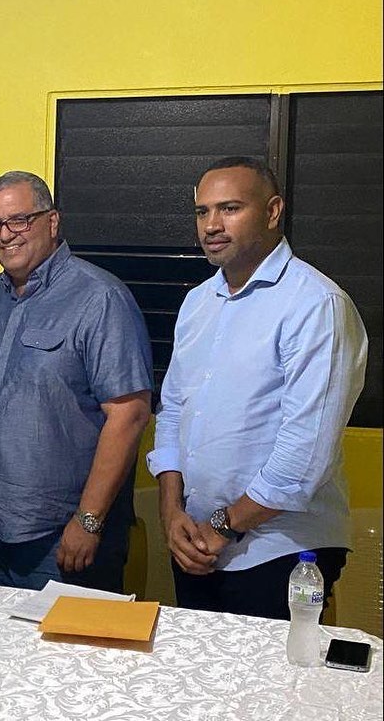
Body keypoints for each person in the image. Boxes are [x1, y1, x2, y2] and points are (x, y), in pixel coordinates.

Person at [147, 156, 368, 620]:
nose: (211, 225)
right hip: (197, 541)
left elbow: (305, 453)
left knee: (275, 671)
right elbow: (173, 412)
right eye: (202, 211)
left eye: (229, 208)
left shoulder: (316, 304)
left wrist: (223, 526)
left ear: (272, 212)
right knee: (199, 666)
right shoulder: (197, 302)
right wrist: (171, 512)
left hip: (282, 551)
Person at [0, 171, 153, 592]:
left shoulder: (100, 297)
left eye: (19, 220)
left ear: (52, 221)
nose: (5, 234)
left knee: (64, 639)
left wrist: (89, 520)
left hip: (60, 537)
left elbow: (129, 415)